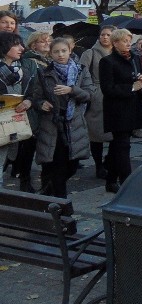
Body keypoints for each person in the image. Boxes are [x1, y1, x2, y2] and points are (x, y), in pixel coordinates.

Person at [30, 38, 93, 198]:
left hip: (74, 124)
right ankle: (62, 206)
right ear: (50, 54)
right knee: (58, 166)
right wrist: (41, 104)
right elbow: (35, 97)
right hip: (53, 125)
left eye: (63, 51)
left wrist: (71, 90)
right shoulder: (44, 73)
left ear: (70, 51)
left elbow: (89, 94)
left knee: (72, 165)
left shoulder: (81, 70)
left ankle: (48, 190)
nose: (60, 54)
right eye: (56, 51)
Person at [99, 28, 142, 192]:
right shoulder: (107, 61)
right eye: (125, 41)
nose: (128, 44)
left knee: (117, 146)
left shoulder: (135, 59)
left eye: (130, 40)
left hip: (132, 108)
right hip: (117, 111)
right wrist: (131, 87)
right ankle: (127, 182)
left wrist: (140, 81)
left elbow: (137, 78)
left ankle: (111, 180)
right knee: (123, 146)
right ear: (115, 43)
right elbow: (108, 88)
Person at [15, 31, 52, 192]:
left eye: (48, 41)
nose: (46, 43)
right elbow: (28, 86)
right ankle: (25, 180)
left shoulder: (49, 60)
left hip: (46, 110)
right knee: (28, 147)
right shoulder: (29, 62)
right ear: (33, 45)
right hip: (32, 110)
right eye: (42, 41)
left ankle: (45, 181)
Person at [79, 24, 114, 181]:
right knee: (96, 134)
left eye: (108, 35)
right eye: (102, 34)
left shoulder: (119, 52)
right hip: (97, 96)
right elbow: (81, 73)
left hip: (115, 95)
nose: (105, 37)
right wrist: (91, 92)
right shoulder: (90, 53)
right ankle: (98, 165)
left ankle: (109, 161)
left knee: (116, 134)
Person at [0, 32, 34, 186]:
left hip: (12, 128)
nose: (22, 48)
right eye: (16, 44)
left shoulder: (21, 71)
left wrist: (28, 101)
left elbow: (32, 93)